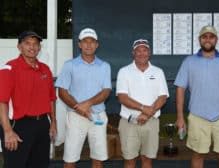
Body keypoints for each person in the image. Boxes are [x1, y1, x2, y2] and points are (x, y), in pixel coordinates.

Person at [174, 25, 219, 168]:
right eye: (204, 37)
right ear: (199, 40)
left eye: (211, 36)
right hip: (197, 115)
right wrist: (180, 117)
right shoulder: (189, 61)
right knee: (198, 154)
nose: (208, 39)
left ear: (216, 39)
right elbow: (180, 89)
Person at [55, 28, 111, 168]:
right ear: (79, 44)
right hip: (75, 116)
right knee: (70, 157)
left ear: (97, 44)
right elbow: (62, 92)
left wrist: (87, 104)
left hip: (97, 115)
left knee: (98, 157)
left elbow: (106, 92)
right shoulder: (69, 65)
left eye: (92, 42)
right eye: (85, 41)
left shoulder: (104, 66)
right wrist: (80, 109)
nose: (88, 45)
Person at [0, 31, 57, 168]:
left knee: (40, 164)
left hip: (42, 124)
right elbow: (2, 102)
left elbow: (51, 99)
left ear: (39, 47)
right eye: (27, 43)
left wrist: (53, 122)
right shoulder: (9, 68)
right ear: (19, 47)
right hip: (18, 126)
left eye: (35, 44)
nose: (32, 47)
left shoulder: (45, 69)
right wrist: (7, 131)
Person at [116, 39, 169, 168]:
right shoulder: (124, 71)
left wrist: (147, 115)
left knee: (147, 159)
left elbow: (163, 97)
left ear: (149, 53)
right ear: (133, 53)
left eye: (144, 50)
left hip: (151, 122)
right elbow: (122, 98)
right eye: (138, 50)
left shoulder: (158, 72)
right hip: (129, 122)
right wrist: (143, 108)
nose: (141, 53)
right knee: (129, 160)